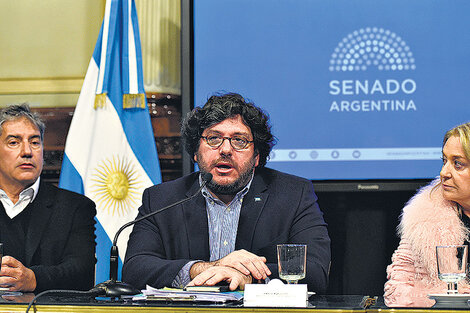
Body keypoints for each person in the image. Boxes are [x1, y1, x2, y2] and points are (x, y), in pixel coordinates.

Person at [123, 92, 331, 292]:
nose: (225, 149)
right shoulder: (161, 199)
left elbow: (315, 272)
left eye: (239, 140)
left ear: (257, 157)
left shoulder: (292, 196)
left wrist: (247, 278)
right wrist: (206, 268)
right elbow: (135, 270)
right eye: (213, 138)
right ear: (196, 152)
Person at [0, 104, 96, 292]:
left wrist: (34, 279)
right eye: (14, 142)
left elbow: (82, 272)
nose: (27, 151)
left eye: (35, 142)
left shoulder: (74, 207)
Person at [384, 122, 470, 307]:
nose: (443, 172)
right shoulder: (423, 217)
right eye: (444, 161)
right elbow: (396, 290)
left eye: (458, 164)